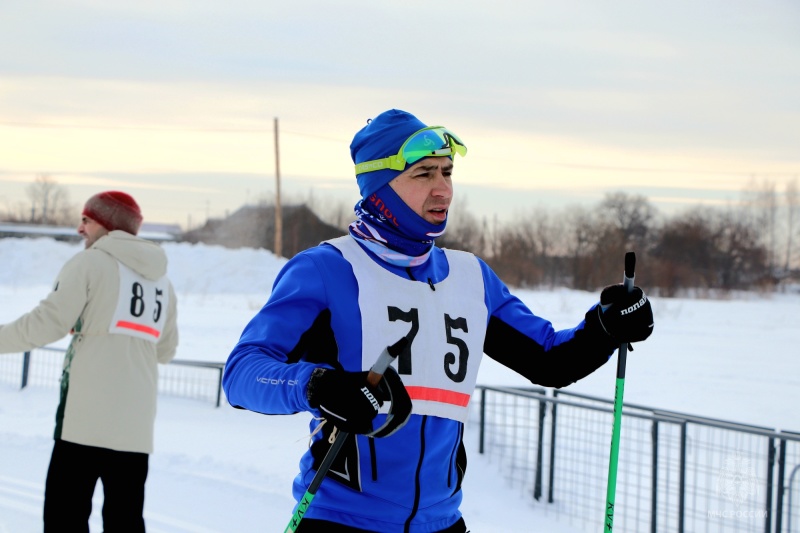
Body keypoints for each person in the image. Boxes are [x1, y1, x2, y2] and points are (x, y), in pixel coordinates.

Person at [222, 109, 654, 532]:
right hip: (341, 521)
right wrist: (317, 386)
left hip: (442, 524)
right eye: (423, 174)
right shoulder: (327, 270)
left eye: (447, 172)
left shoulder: (471, 278)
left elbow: (550, 360)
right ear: (380, 188)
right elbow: (242, 373)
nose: (442, 189)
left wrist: (606, 327)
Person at [0, 191, 179, 532]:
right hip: (136, 427)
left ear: (107, 225)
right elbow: (165, 350)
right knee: (124, 520)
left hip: (84, 420)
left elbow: (44, 324)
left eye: (87, 220)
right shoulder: (162, 282)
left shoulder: (89, 263)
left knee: (64, 517)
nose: (80, 229)